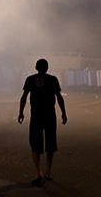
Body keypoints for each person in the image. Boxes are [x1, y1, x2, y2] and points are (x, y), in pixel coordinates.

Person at [18, 58, 67, 186]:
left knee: (35, 143)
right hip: (50, 115)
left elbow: (24, 97)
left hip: (36, 115)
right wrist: (63, 113)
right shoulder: (53, 79)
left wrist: (21, 112)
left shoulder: (30, 79)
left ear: (36, 67)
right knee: (50, 142)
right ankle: (48, 171)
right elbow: (59, 97)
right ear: (47, 68)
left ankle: (38, 172)